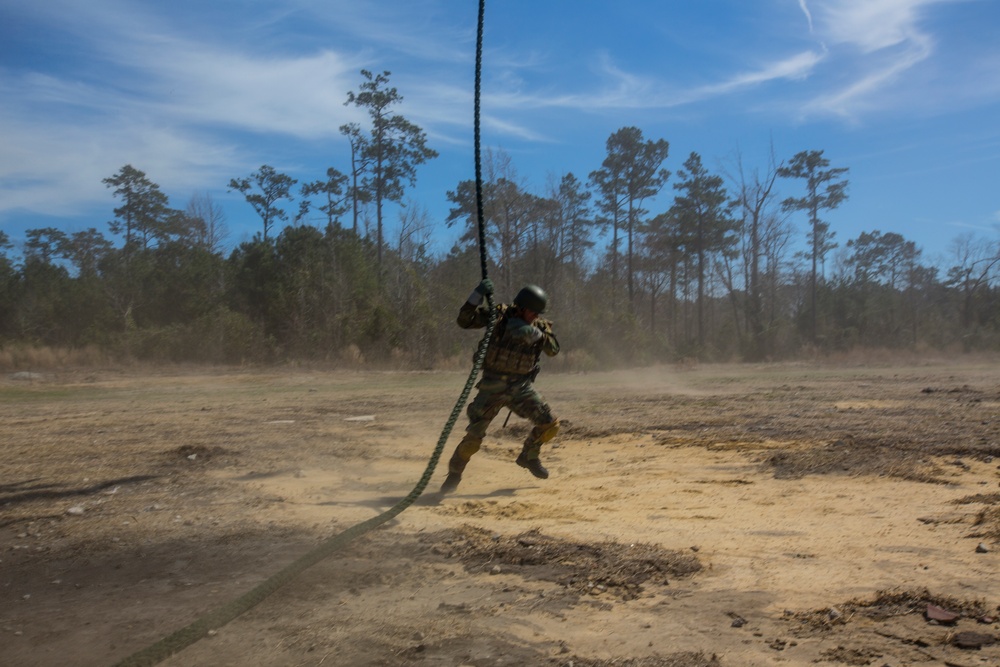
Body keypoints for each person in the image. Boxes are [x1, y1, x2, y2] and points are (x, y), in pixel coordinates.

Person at [440, 278, 561, 495]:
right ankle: (454, 474)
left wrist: (537, 334)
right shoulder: (499, 316)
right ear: (522, 307)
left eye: (538, 313)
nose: (536, 316)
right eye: (533, 312)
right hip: (492, 386)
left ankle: (529, 456)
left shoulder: (539, 326)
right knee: (473, 439)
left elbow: (553, 350)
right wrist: (476, 294)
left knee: (550, 425)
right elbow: (465, 321)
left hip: (521, 387)